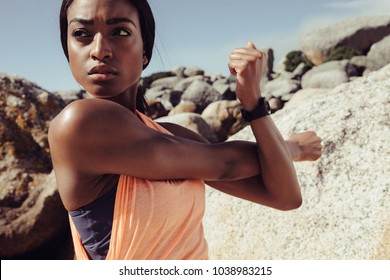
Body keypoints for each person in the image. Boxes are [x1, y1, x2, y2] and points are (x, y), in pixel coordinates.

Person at [49, 0, 322, 260]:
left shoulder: (173, 135)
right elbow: (227, 163)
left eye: (119, 31)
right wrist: (292, 147)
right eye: (82, 33)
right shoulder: (79, 123)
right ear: (67, 49)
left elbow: (284, 196)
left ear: (145, 52)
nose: (99, 49)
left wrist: (253, 101)